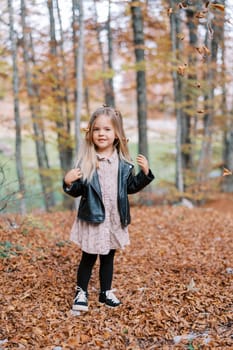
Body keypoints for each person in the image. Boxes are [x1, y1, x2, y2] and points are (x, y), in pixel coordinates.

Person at [63, 105, 154, 312]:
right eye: (97, 129)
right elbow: (77, 190)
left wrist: (145, 173)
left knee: (108, 257)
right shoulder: (86, 162)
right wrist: (68, 182)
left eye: (107, 129)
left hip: (114, 218)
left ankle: (105, 292)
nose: (101, 133)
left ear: (116, 134)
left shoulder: (123, 164)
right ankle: (81, 292)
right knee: (88, 256)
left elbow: (130, 187)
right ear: (91, 133)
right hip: (93, 218)